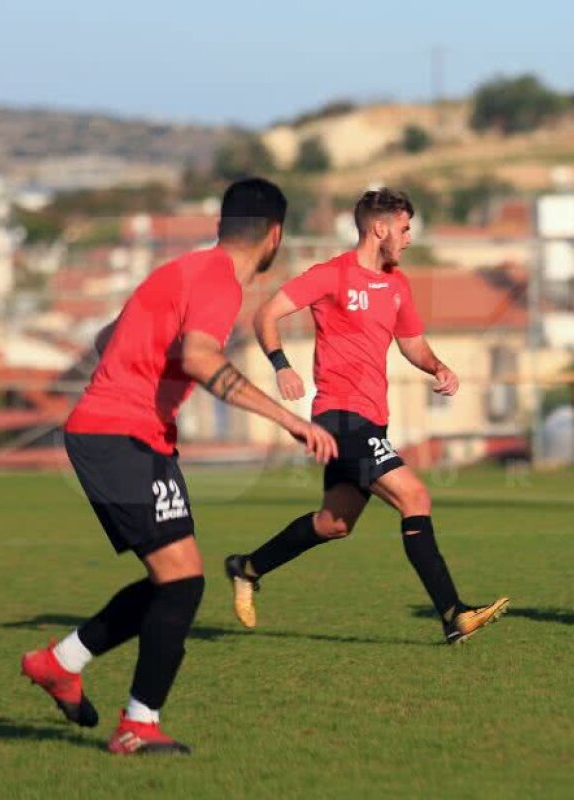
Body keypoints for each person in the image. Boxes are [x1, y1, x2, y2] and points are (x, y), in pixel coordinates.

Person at [20, 178, 337, 755]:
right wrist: (288, 420)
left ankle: (60, 663)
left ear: (221, 225)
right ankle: (137, 726)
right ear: (275, 236)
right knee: (184, 582)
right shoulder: (219, 281)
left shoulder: (184, 272)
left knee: (176, 580)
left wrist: (143, 360)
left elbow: (104, 337)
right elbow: (198, 358)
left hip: (132, 436)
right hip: (120, 436)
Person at [223, 188, 508, 645]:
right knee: (415, 497)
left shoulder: (398, 284)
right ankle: (454, 613)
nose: (409, 237)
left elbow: (411, 343)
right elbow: (266, 314)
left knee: (334, 523)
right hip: (339, 418)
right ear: (380, 228)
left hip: (371, 421)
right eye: (405, 227)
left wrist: (438, 366)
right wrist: (282, 366)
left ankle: (246, 567)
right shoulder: (332, 275)